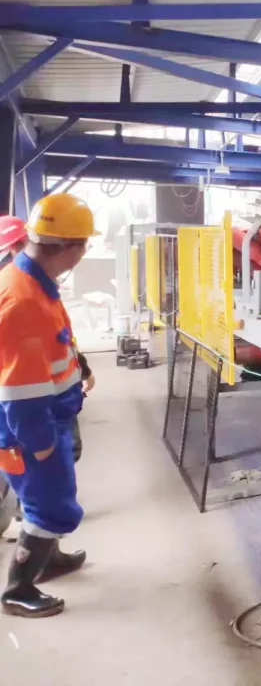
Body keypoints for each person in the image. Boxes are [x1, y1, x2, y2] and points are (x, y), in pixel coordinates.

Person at [0, 194, 98, 618]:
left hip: (48, 417)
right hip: (30, 429)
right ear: (70, 247)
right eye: (84, 245)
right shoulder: (24, 300)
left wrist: (80, 372)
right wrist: (38, 443)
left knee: (53, 495)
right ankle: (17, 590)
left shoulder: (33, 281)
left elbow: (53, 349)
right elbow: (20, 395)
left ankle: (49, 559)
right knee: (51, 505)